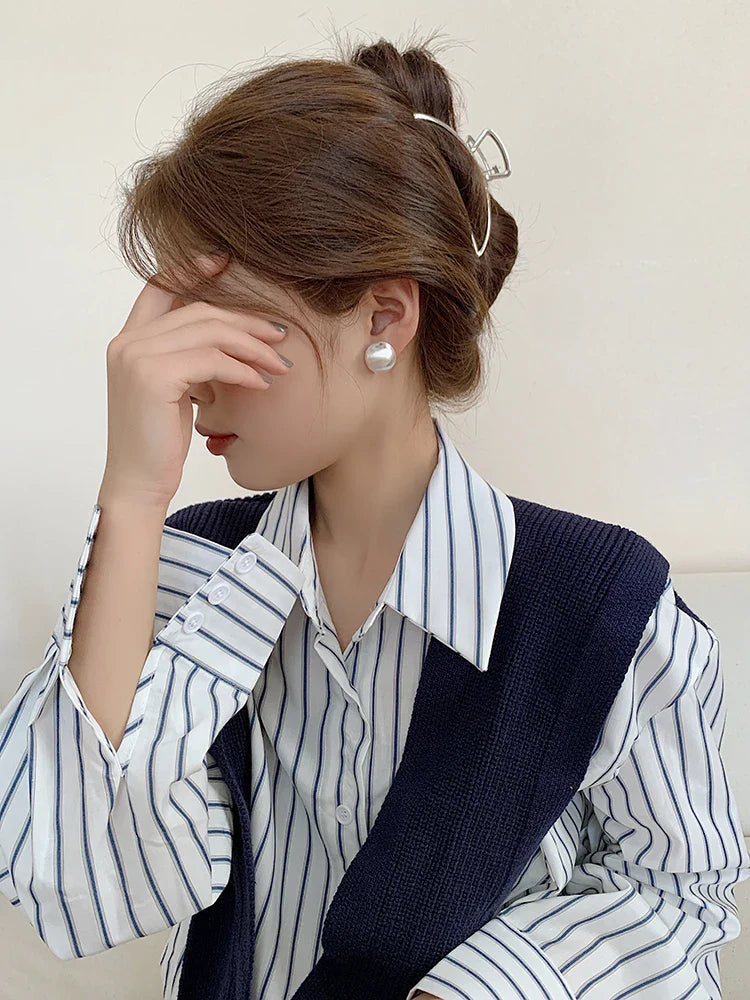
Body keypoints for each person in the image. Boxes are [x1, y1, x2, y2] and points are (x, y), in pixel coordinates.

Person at [1, 31, 747, 1000]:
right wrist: (134, 496)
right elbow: (78, 882)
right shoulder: (185, 570)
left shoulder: (600, 606)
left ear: (384, 318)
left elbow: (680, 897)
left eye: (220, 315)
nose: (183, 373)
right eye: (170, 322)